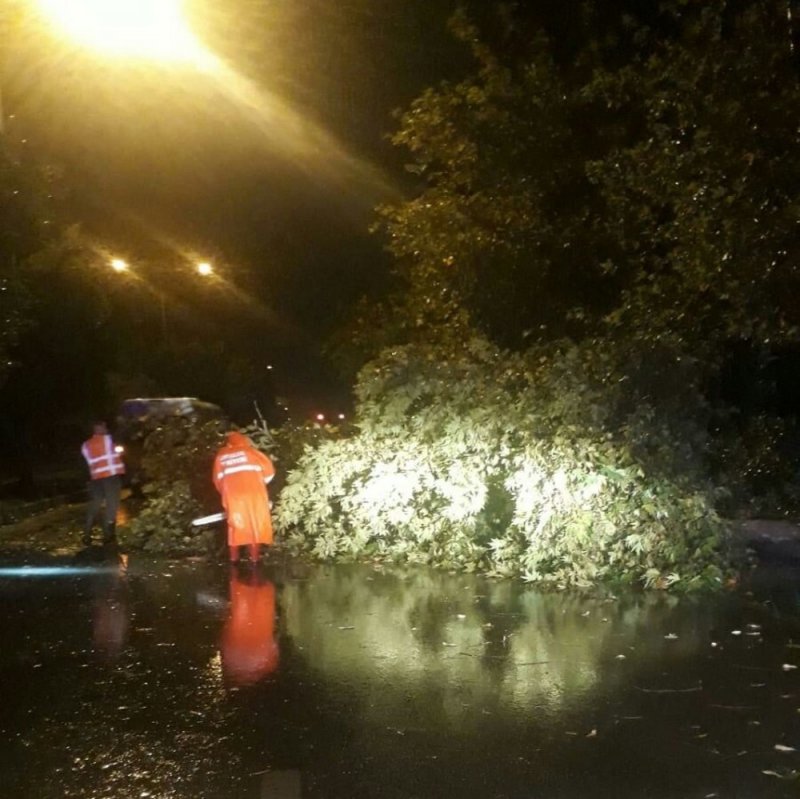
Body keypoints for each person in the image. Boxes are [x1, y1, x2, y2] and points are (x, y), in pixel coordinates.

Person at [212, 430, 276, 563]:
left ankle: (234, 560)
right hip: (255, 495)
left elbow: (217, 480)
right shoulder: (251, 452)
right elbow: (270, 473)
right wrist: (258, 482)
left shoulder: (221, 456)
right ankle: (254, 559)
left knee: (234, 526)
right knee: (254, 525)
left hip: (233, 497)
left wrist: (226, 493)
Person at [81, 421, 125, 546]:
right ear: (100, 428)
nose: (106, 429)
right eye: (104, 427)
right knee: (112, 505)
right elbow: (121, 435)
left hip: (96, 479)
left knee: (94, 505)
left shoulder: (86, 445)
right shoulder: (108, 440)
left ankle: (86, 534)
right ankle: (109, 535)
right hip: (110, 478)